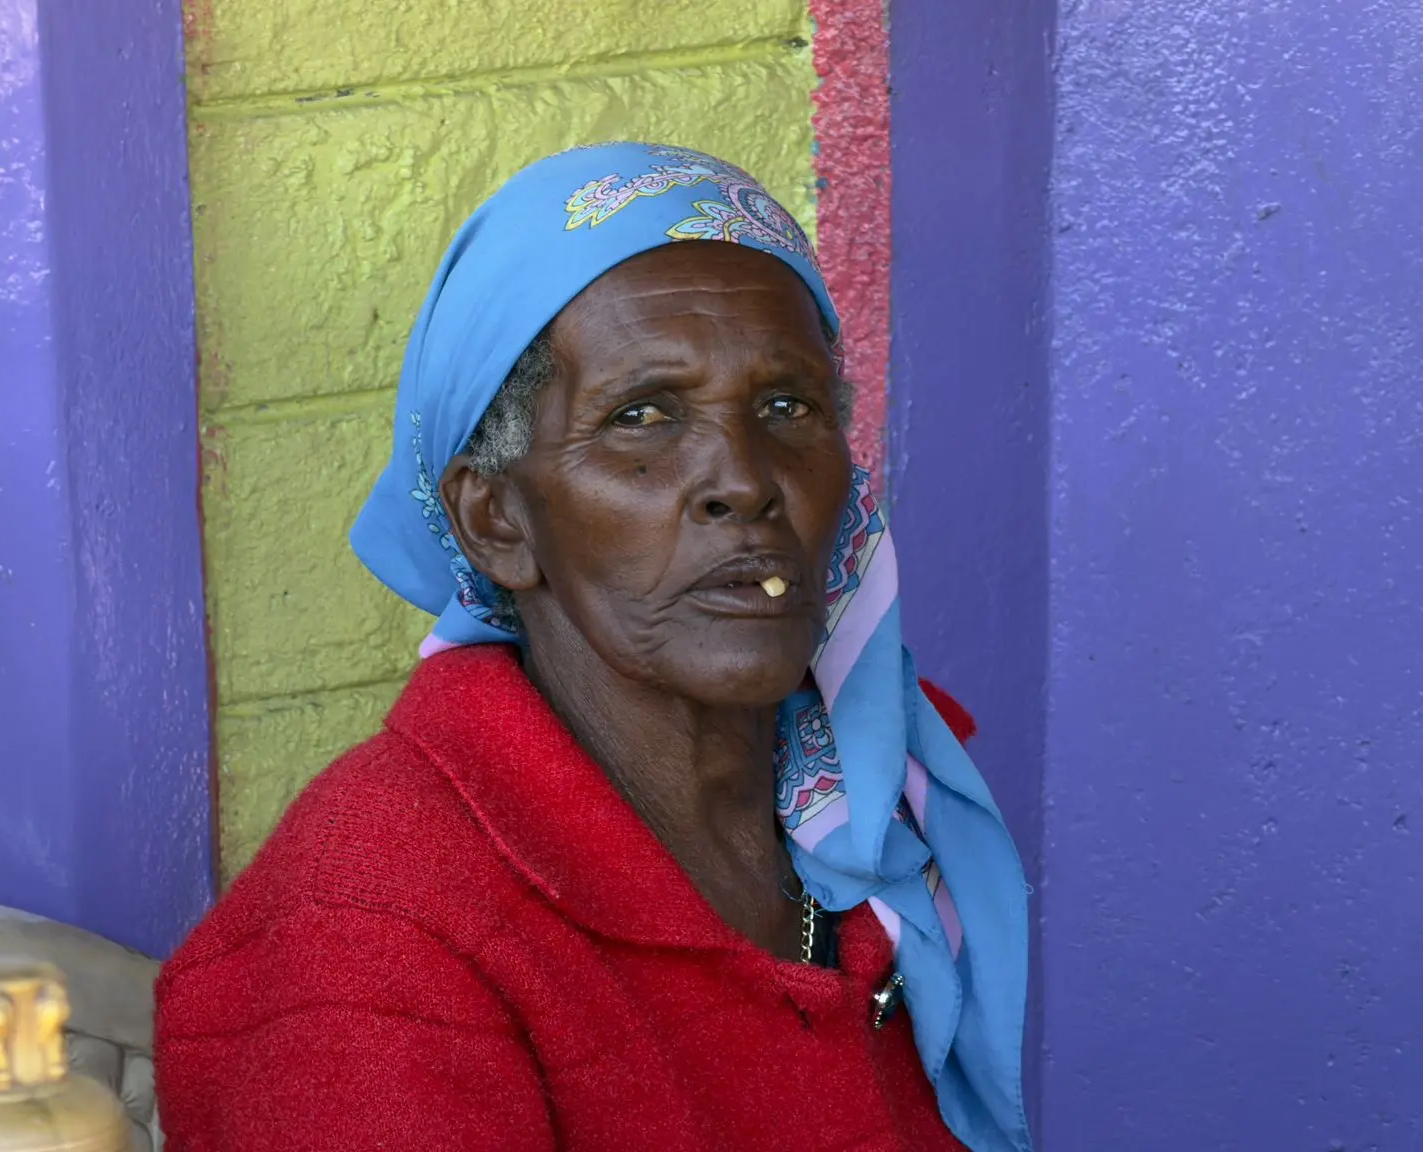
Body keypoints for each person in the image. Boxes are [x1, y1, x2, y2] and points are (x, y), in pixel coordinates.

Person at [155, 143, 1031, 1152]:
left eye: (786, 407)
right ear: (496, 521)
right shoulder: (378, 925)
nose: (740, 480)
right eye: (641, 417)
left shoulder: (869, 816)